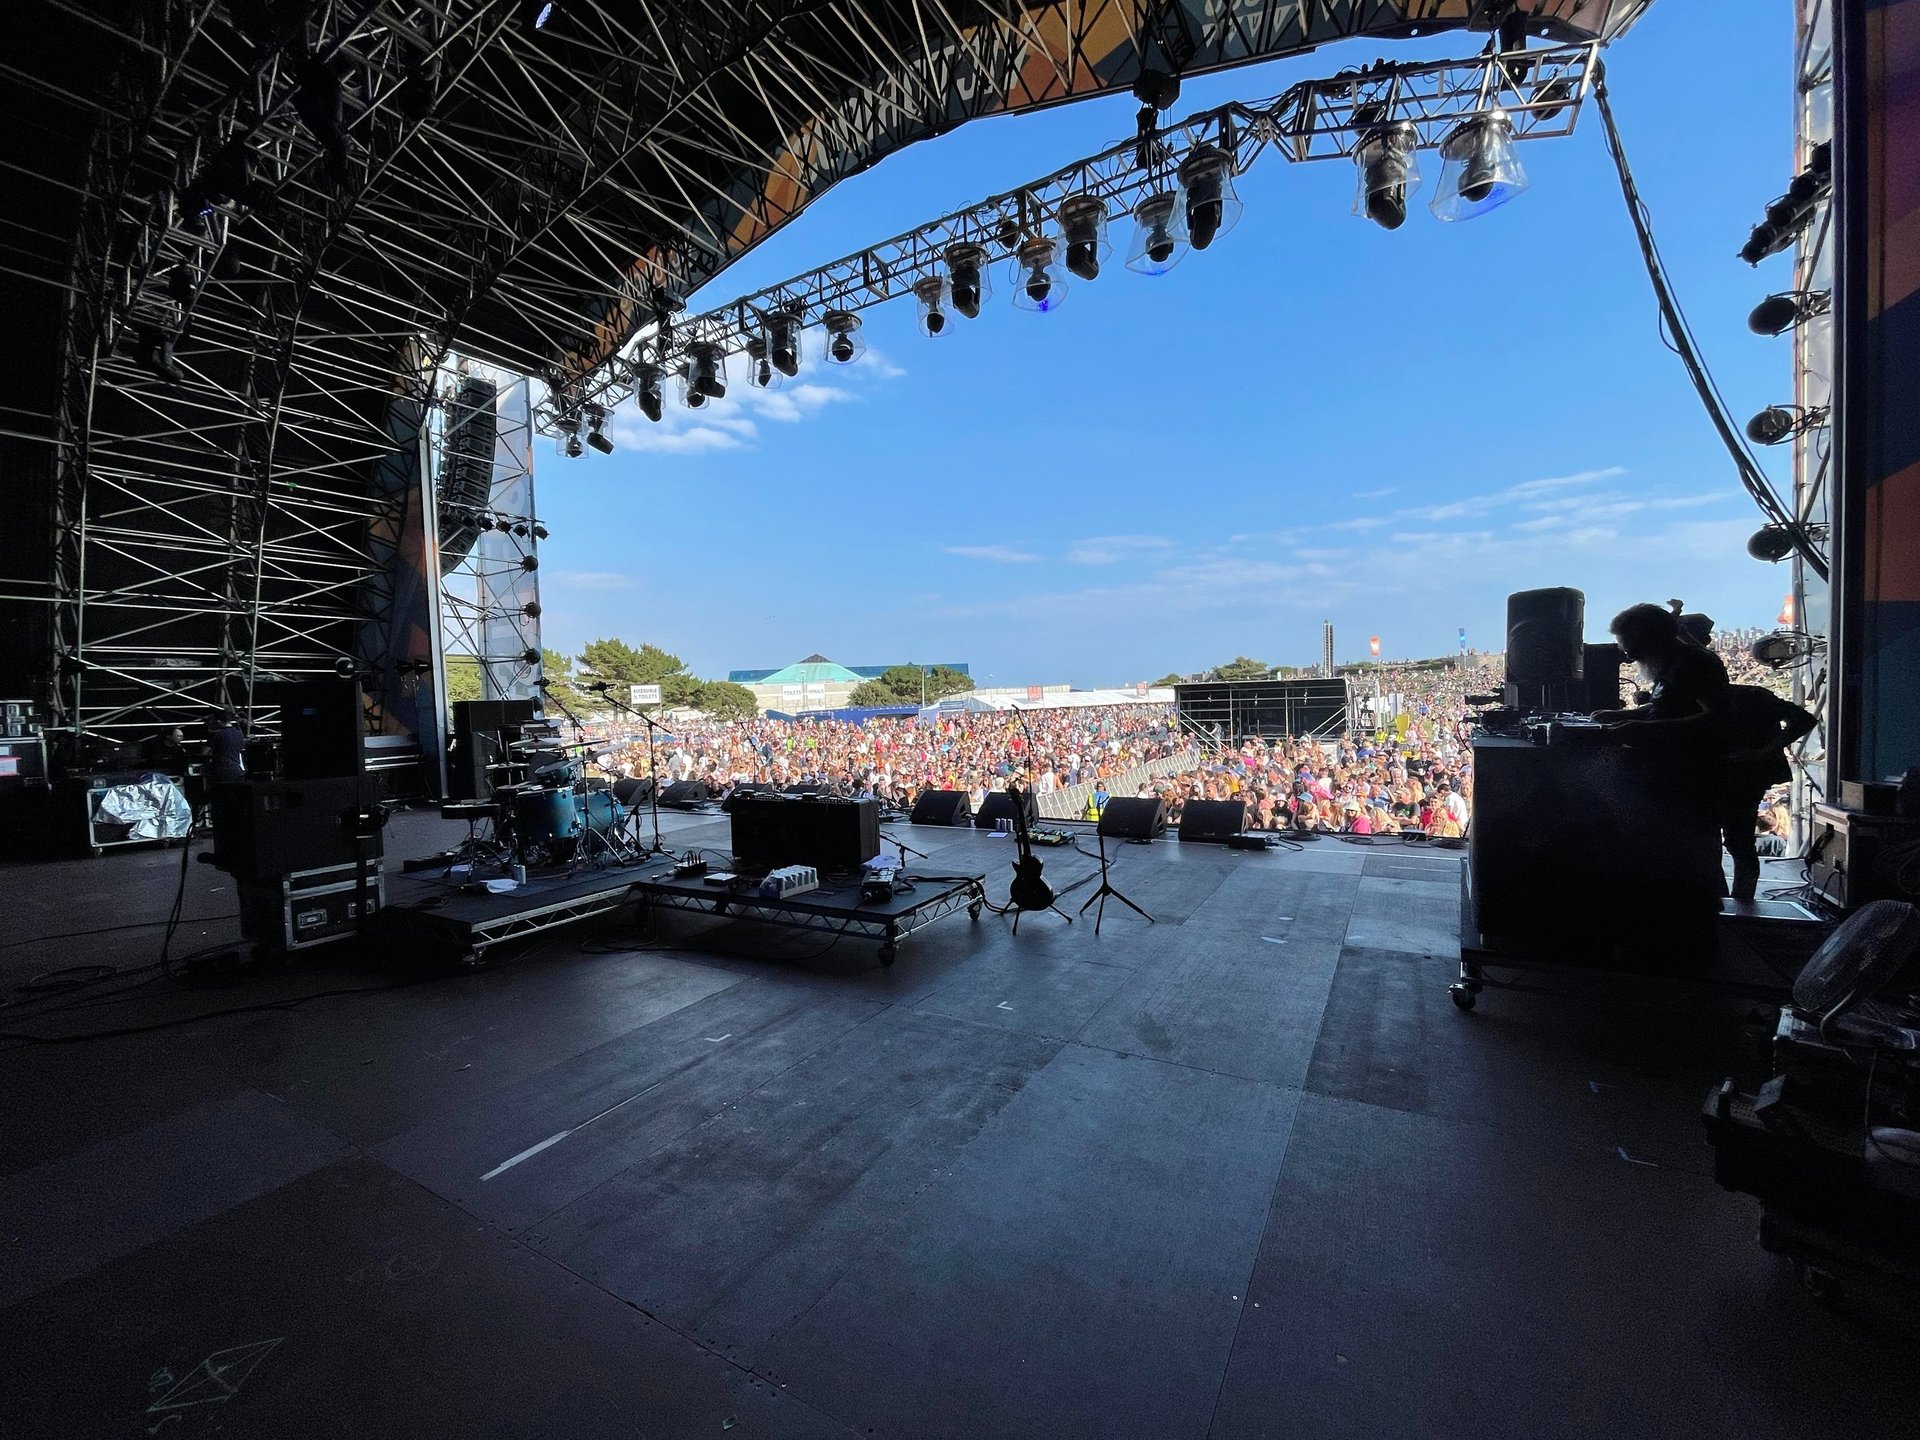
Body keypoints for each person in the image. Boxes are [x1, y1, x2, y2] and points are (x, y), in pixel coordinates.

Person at [1718, 685, 1816, 900]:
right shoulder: (1751, 695)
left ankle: (1729, 904)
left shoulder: (1750, 697)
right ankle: (1739, 904)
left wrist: (1764, 751)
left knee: (1730, 842)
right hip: (1743, 777)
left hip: (1739, 777)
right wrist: (1767, 750)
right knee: (1738, 842)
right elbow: (1804, 719)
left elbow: (1804, 719)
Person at [205, 711, 246, 784]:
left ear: (218, 721)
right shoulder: (239, 734)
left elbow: (205, 753)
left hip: (220, 771)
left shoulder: (216, 735)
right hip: (236, 769)